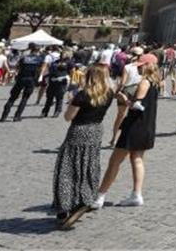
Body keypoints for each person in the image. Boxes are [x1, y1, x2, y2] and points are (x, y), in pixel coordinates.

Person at [92, 53, 159, 209]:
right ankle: (136, 194)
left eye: (141, 66)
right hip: (147, 125)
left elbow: (138, 106)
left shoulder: (144, 82)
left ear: (147, 66)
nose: (139, 69)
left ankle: (100, 195)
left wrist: (125, 99)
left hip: (135, 126)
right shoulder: (156, 83)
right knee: (137, 159)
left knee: (114, 161)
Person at [51, 64, 113, 230]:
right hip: (96, 130)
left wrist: (72, 102)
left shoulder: (83, 94)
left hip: (79, 130)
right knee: (89, 164)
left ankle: (66, 205)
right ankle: (85, 197)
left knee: (68, 167)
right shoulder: (108, 93)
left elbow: (68, 116)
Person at [1, 43, 45, 123]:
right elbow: (39, 70)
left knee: (12, 97)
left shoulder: (24, 58)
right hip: (31, 79)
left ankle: (4, 116)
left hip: (21, 78)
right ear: (38, 50)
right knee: (25, 98)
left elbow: (18, 67)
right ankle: (17, 116)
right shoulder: (39, 59)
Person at [42, 50, 74, 118]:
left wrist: (70, 81)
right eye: (62, 53)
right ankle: (45, 111)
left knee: (59, 98)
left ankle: (57, 111)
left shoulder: (69, 62)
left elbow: (72, 72)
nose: (62, 54)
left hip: (62, 82)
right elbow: (50, 70)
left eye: (64, 53)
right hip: (52, 81)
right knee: (49, 97)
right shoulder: (55, 62)